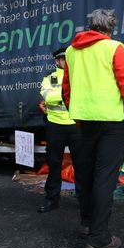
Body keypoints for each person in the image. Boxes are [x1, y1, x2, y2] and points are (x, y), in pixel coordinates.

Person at [62, 9, 124, 248]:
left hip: (84, 122)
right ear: (110, 28)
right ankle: (99, 238)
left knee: (85, 176)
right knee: (104, 179)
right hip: (112, 122)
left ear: (91, 26)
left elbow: (66, 90)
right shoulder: (114, 48)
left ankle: (87, 224)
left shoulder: (71, 52)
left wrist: (77, 113)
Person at [37, 46, 84, 213]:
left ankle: (84, 200)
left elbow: (84, 95)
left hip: (76, 125)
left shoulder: (79, 76)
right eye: (63, 58)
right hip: (55, 125)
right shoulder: (48, 78)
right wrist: (67, 93)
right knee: (54, 163)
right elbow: (47, 96)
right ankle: (52, 200)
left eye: (68, 58)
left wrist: (60, 96)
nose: (66, 61)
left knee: (81, 164)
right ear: (57, 61)